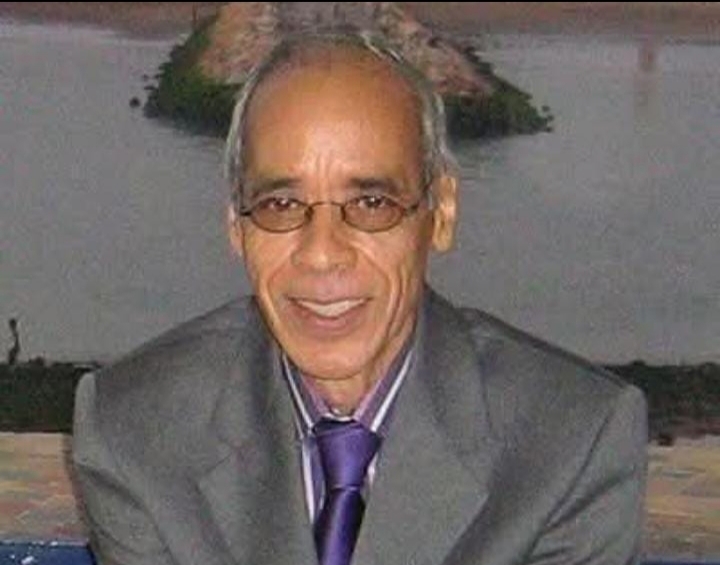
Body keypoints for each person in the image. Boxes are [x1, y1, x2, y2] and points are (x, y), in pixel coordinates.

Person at [73, 33, 647, 565]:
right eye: (281, 205)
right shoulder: (134, 432)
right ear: (236, 227)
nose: (322, 253)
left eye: (372, 204)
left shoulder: (572, 442)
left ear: (441, 213)